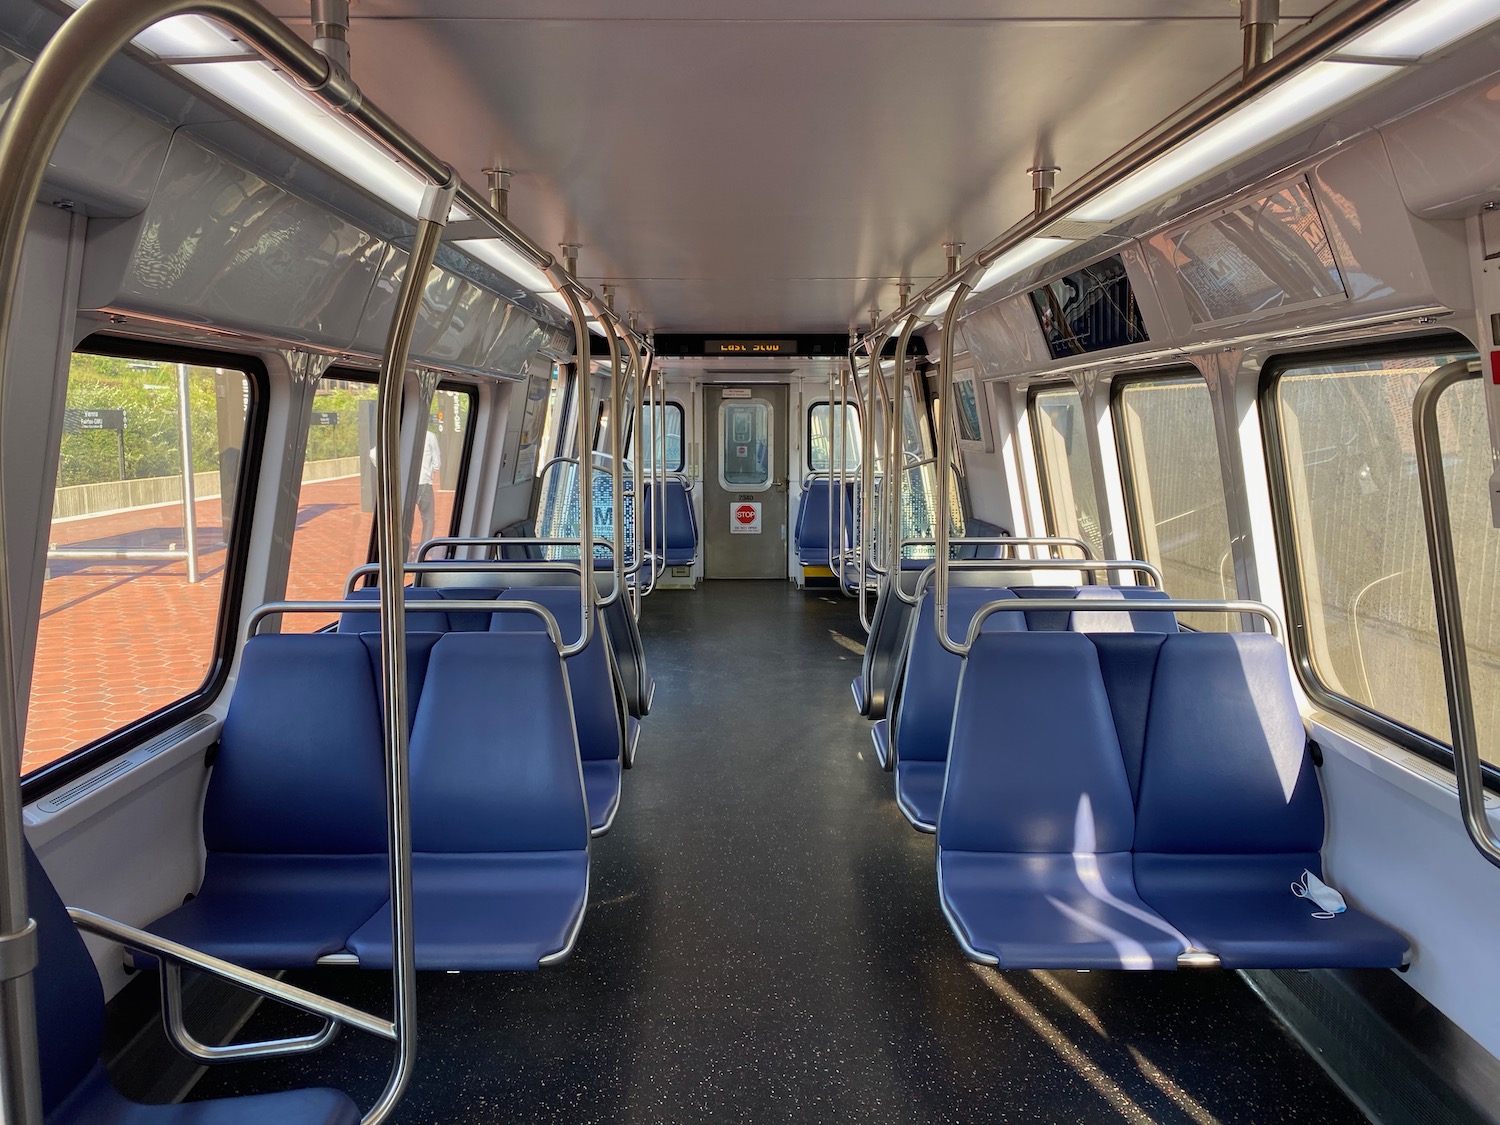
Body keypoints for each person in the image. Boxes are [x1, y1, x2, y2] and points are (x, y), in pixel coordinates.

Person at [367, 427, 442, 560]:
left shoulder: (396, 435)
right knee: (428, 519)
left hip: (404, 484)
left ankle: (406, 556)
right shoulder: (429, 436)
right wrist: (430, 471)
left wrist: (388, 470)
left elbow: (373, 454)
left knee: (405, 520)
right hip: (424, 483)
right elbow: (437, 463)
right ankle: (422, 553)